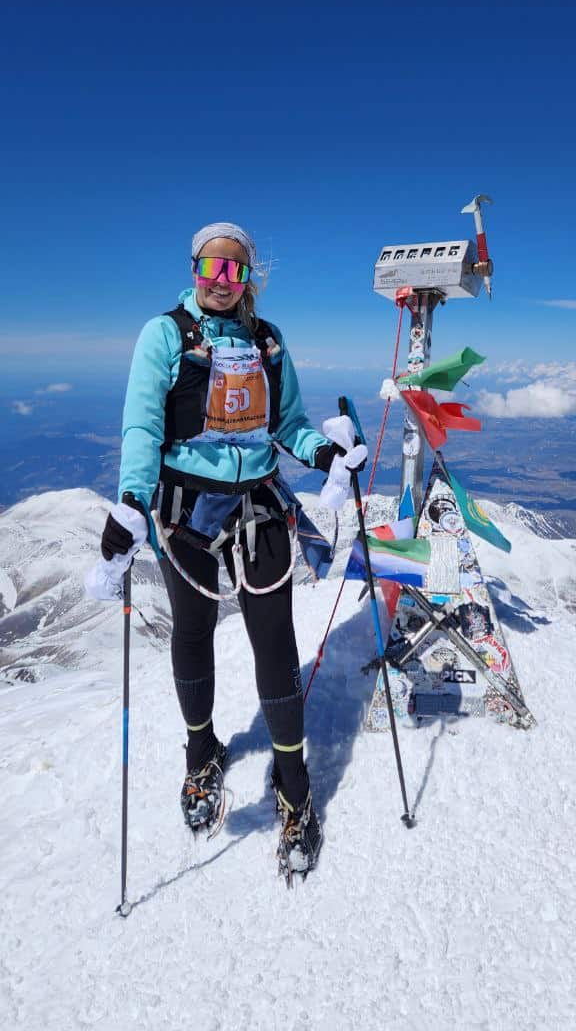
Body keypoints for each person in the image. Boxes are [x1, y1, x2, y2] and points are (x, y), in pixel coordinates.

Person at [93, 221, 366, 880]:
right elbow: (142, 422)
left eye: (234, 270)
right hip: (185, 509)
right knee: (192, 631)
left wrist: (324, 453)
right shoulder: (164, 336)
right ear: (192, 269)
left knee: (274, 643)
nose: (221, 281)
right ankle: (201, 753)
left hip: (258, 505)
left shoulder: (267, 340)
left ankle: (293, 781)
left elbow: (290, 425)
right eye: (209, 267)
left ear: (250, 277)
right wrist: (132, 498)